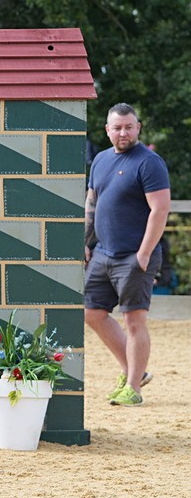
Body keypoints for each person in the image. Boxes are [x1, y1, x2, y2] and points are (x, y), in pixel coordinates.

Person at [84, 103, 170, 407]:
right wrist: (85, 241)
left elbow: (160, 209)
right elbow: (92, 202)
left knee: (134, 321)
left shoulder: (149, 163)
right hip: (102, 253)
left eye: (129, 127)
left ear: (138, 128)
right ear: (107, 130)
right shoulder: (100, 160)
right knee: (92, 313)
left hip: (134, 256)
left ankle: (133, 387)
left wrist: (144, 253)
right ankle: (136, 371)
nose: (123, 133)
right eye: (117, 128)